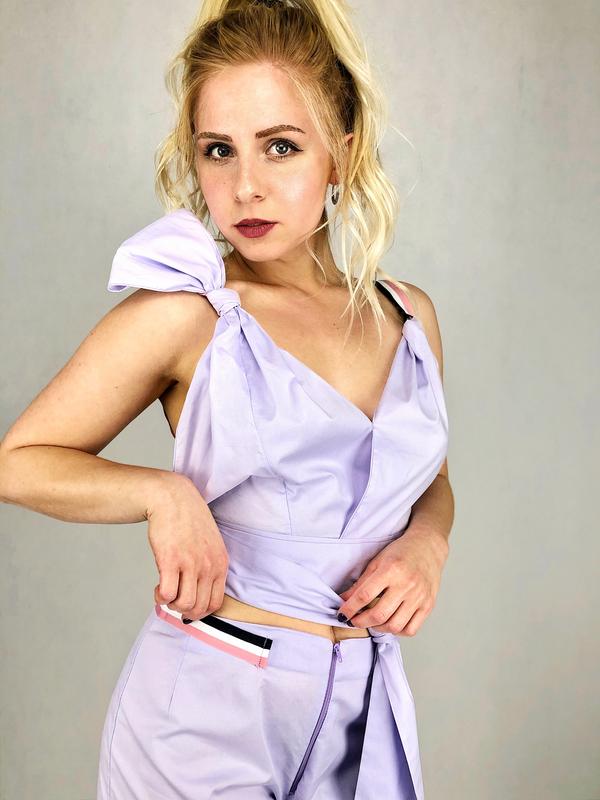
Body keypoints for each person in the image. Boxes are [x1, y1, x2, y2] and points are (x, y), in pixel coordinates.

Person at [0, 0, 454, 798]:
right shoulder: (190, 316)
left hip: (360, 715)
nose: (246, 186)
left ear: (342, 154)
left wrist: (428, 542)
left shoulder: (407, 316)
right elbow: (19, 461)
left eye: (281, 147)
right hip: (203, 722)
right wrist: (161, 492)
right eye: (219, 150)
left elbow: (431, 478)